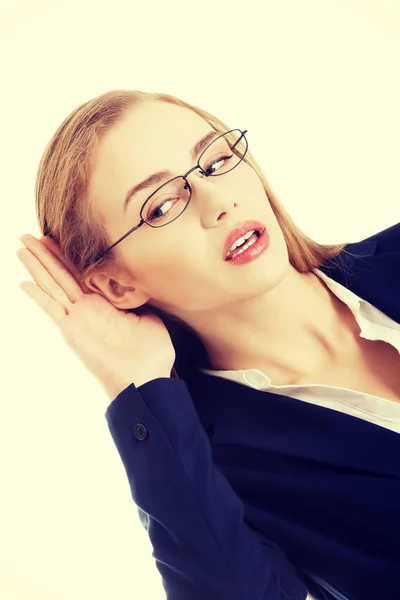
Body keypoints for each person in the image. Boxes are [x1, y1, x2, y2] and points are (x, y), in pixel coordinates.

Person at [17, 89, 400, 600]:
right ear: (118, 286)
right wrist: (136, 381)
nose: (220, 202)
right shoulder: (212, 470)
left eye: (216, 160)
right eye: (162, 206)